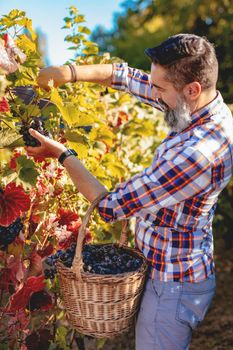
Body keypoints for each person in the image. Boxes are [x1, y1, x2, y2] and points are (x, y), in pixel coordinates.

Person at [26, 34, 233, 350]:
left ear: (192, 89)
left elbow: (109, 206)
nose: (153, 94)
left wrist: (63, 155)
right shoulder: (200, 106)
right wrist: (68, 73)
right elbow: (123, 75)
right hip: (173, 265)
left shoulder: (198, 155)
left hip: (172, 286)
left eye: (159, 89)